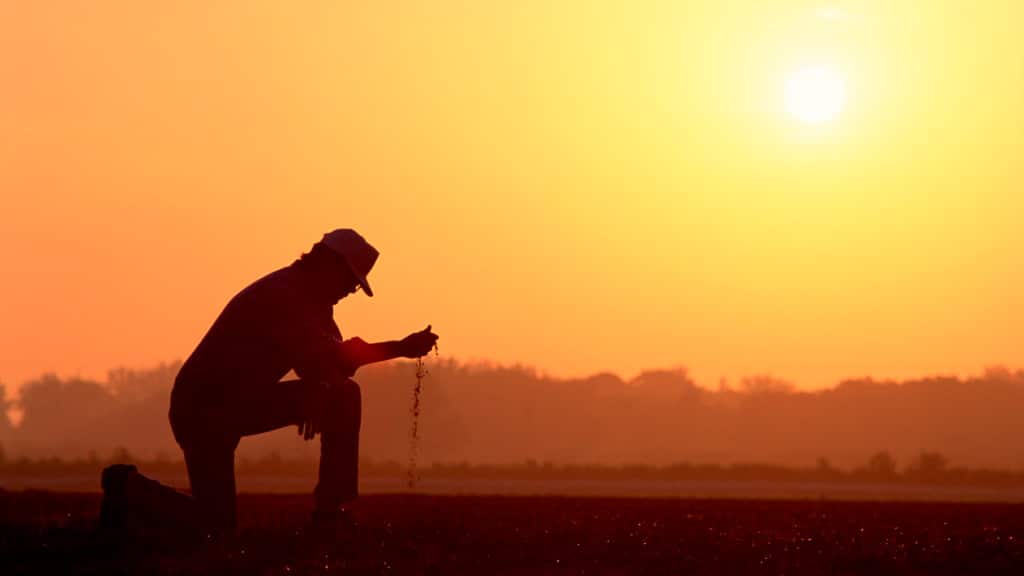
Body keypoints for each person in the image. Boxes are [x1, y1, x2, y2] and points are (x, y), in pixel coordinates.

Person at [168, 228, 439, 535]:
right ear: (329, 265)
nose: (351, 290)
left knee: (344, 395)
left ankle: (330, 512)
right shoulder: (287, 296)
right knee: (214, 527)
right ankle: (130, 489)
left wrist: (323, 388)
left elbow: (330, 366)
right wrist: (399, 348)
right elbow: (332, 358)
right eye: (351, 280)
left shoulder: (312, 301)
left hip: (235, 403)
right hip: (204, 410)